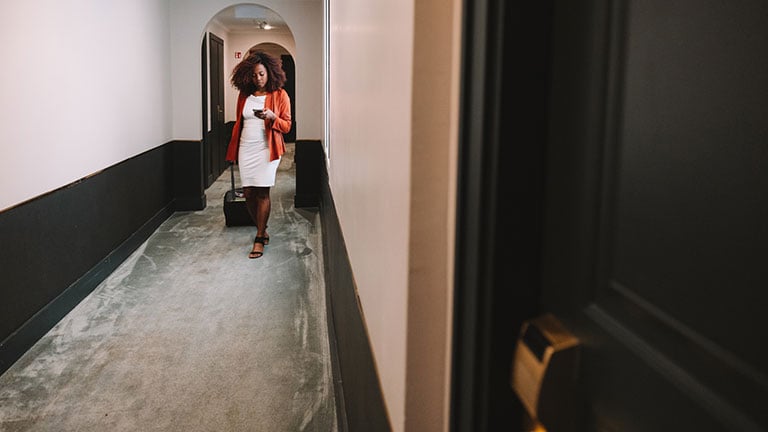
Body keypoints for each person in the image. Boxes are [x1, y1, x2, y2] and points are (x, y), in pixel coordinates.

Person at [226, 51, 292, 259]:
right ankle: (261, 228)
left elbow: (287, 126)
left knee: (262, 192)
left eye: (262, 74)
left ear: (270, 73)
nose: (258, 79)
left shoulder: (280, 95)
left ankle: (260, 236)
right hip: (246, 147)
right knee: (248, 193)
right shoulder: (244, 96)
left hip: (267, 148)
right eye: (254, 75)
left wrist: (272, 117)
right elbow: (240, 121)